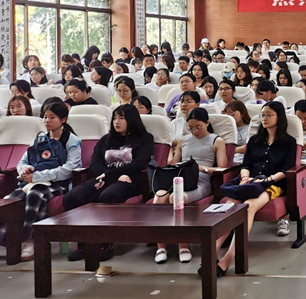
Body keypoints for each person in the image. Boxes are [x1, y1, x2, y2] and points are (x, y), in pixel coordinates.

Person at [212, 101, 296, 273]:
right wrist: (245, 178)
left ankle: (228, 258)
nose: (265, 118)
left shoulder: (289, 142)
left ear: (279, 117)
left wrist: (266, 180)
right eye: (262, 115)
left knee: (248, 207)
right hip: (249, 181)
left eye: (269, 115)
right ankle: (212, 252)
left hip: (272, 184)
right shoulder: (254, 140)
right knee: (229, 207)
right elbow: (246, 165)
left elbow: (285, 170)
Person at [63, 104, 154, 261]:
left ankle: (105, 243)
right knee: (73, 196)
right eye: (115, 118)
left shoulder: (144, 138)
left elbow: (139, 163)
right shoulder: (106, 139)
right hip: (106, 178)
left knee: (109, 196)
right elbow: (95, 163)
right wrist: (109, 176)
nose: (117, 122)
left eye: (122, 118)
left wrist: (111, 175)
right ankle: (83, 243)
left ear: (132, 120)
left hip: (130, 179)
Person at [0, 103, 81, 261]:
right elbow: (22, 162)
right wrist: (25, 170)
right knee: (11, 200)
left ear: (63, 119)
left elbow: (68, 169)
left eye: (52, 117)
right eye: (45, 117)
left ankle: (30, 240)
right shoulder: (40, 139)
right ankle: (8, 240)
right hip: (32, 182)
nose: (47, 121)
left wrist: (38, 177)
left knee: (35, 195)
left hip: (59, 184)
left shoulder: (72, 141)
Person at [153, 108, 227, 264]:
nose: (194, 131)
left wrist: (200, 168)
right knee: (159, 196)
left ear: (207, 123)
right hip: (180, 179)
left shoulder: (216, 140)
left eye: (198, 127)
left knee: (176, 197)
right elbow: (174, 165)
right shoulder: (183, 140)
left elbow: (222, 168)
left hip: (201, 181)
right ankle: (161, 246)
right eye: (191, 128)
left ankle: (183, 245)